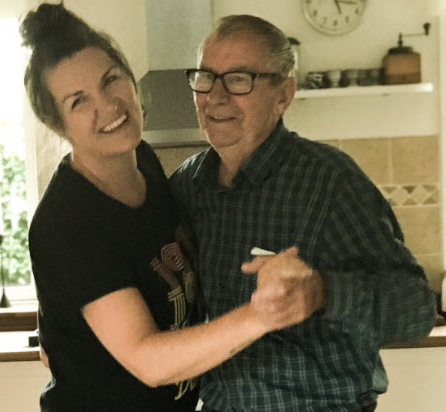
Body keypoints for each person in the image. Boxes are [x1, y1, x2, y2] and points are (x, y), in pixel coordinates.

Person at [22, 4, 323, 411]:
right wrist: (262, 314)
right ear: (58, 125)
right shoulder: (68, 222)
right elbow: (148, 361)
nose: (107, 105)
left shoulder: (144, 162)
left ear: (130, 79)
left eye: (111, 80)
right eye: (78, 101)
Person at [170, 14, 436, 412]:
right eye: (206, 77)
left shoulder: (330, 182)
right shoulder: (186, 186)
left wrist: (322, 292)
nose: (215, 96)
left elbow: (416, 308)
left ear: (283, 95)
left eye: (239, 79)